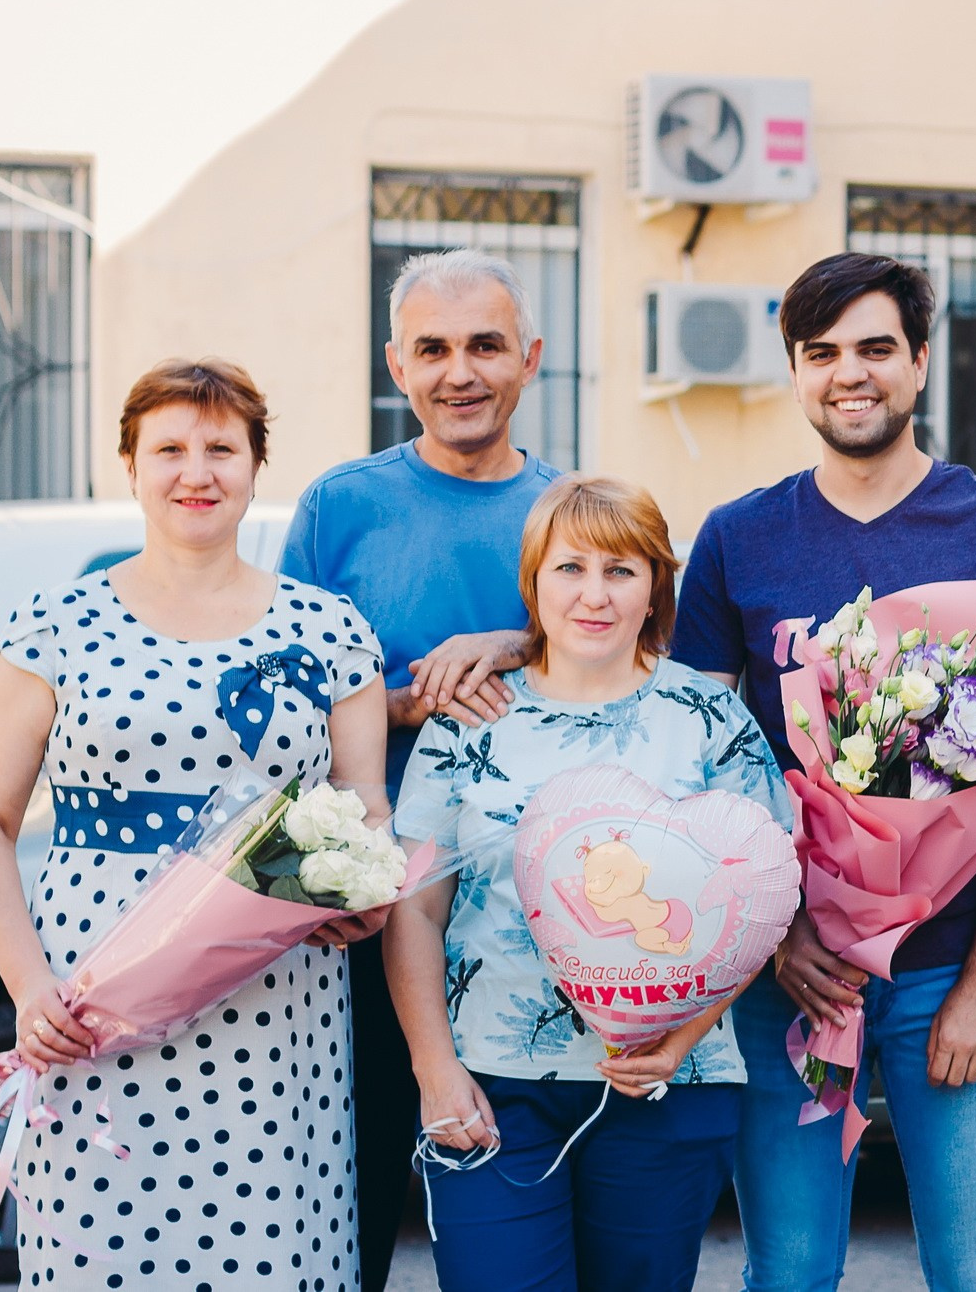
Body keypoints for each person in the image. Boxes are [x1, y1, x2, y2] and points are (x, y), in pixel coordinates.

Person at [671, 251, 976, 1291]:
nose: (848, 373)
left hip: (951, 967)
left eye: (873, 349)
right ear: (795, 372)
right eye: (821, 354)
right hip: (792, 976)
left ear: (919, 362)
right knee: (790, 1270)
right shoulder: (736, 538)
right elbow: (705, 763)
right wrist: (779, 939)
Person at [0, 358, 388, 1290]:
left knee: (267, 1252)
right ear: (130, 464)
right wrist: (30, 990)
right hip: (92, 999)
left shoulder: (328, 628)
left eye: (222, 448)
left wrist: (366, 898)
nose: (198, 471)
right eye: (171, 449)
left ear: (256, 465)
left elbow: (367, 819)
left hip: (275, 1010)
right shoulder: (58, 622)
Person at [385, 474, 790, 1292]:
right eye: (570, 569)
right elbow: (415, 910)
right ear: (533, 584)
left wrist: (678, 1040)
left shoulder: (709, 719)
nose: (594, 595)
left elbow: (762, 900)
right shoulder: (471, 717)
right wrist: (434, 1069)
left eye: (621, 570)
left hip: (668, 1083)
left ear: (655, 588)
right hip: (491, 1085)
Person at [282, 248, 564, 1285]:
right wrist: (399, 700)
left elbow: (627, 664)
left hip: (535, 913)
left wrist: (515, 643)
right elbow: (278, 711)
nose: (461, 371)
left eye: (485, 345)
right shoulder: (339, 507)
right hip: (360, 910)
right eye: (434, 348)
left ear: (528, 357)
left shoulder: (573, 510)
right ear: (395, 364)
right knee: (348, 1201)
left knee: (511, 1207)